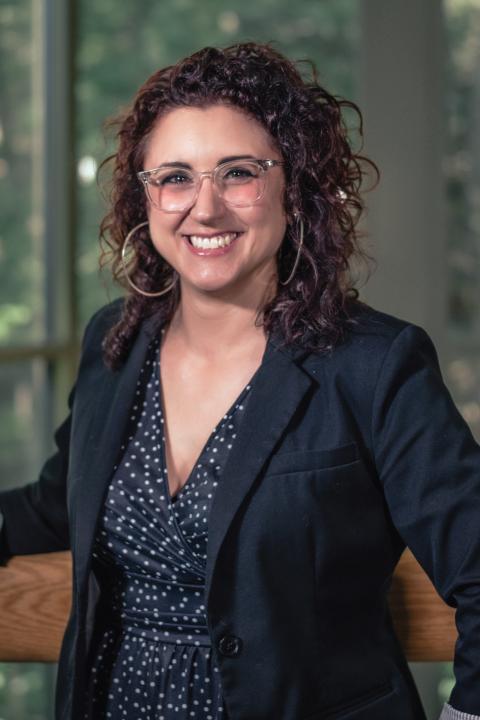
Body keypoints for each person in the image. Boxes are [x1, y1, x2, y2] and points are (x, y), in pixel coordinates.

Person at [0, 41, 479, 720]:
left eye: (238, 173)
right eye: (174, 177)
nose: (205, 208)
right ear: (144, 197)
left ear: (297, 185)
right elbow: (61, 501)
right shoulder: (116, 341)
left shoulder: (374, 363)